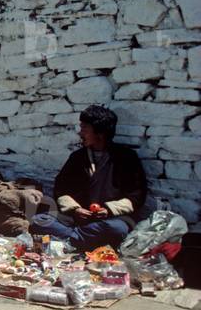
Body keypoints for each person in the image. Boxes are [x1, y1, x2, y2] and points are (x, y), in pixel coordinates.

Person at [30, 105, 148, 251]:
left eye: (84, 128)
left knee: (117, 229)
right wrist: (75, 210)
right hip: (79, 219)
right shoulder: (77, 157)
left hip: (108, 220)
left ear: (100, 132)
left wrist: (108, 210)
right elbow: (61, 188)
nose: (80, 133)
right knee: (39, 221)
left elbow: (137, 196)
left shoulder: (126, 158)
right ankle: (80, 240)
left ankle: (71, 240)